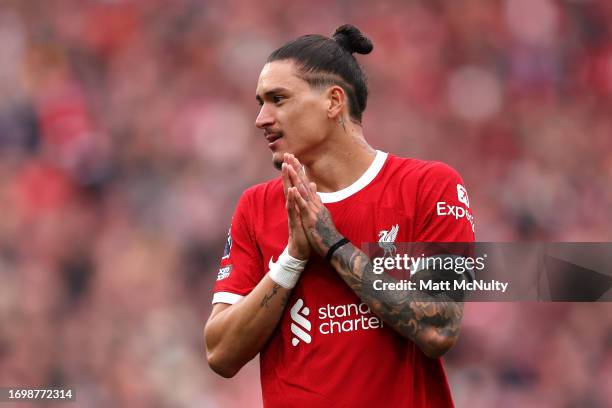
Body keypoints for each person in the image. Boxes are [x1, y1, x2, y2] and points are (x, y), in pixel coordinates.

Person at [204, 24, 475, 407]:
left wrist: (333, 245)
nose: (261, 118)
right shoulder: (257, 207)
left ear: (333, 102)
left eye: (278, 99)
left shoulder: (428, 187)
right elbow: (220, 353)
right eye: (260, 102)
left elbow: (439, 327)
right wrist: (292, 259)